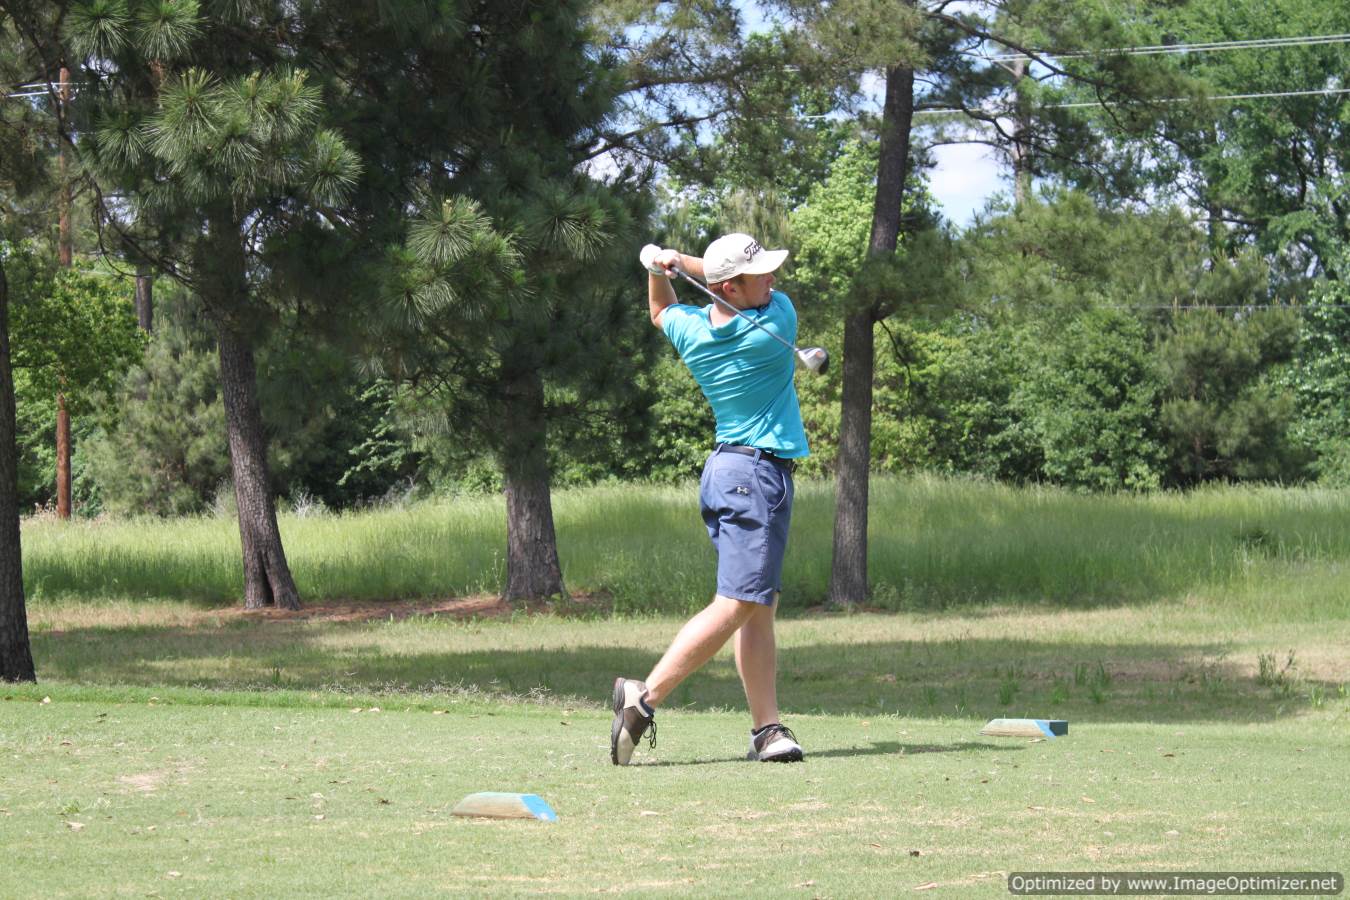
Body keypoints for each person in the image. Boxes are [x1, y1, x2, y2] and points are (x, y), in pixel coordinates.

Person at [611, 232, 810, 766]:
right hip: (757, 476)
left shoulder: (695, 331)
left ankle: (767, 730)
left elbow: (660, 311)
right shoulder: (775, 325)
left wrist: (660, 267)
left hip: (726, 471)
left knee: (759, 607)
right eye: (760, 274)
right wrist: (681, 261)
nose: (772, 279)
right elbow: (714, 282)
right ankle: (645, 697)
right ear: (730, 288)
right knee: (741, 601)